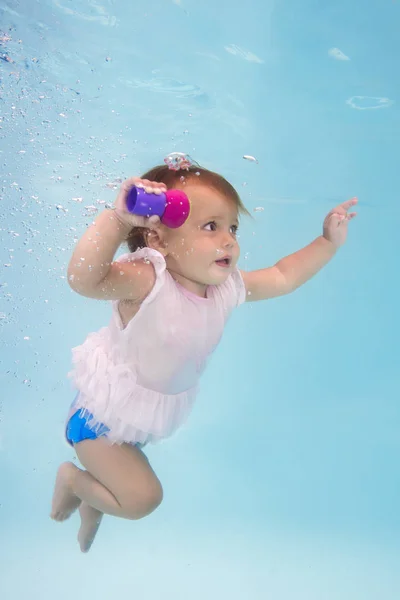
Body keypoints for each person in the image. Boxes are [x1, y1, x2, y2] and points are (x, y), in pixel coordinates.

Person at [50, 158, 357, 552]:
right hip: (101, 419)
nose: (228, 240)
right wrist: (119, 220)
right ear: (159, 239)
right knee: (143, 499)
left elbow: (283, 275)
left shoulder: (227, 287)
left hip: (142, 418)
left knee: (123, 482)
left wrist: (327, 243)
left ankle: (95, 502)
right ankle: (73, 480)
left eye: (232, 228)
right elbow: (84, 279)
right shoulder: (149, 280)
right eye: (210, 227)